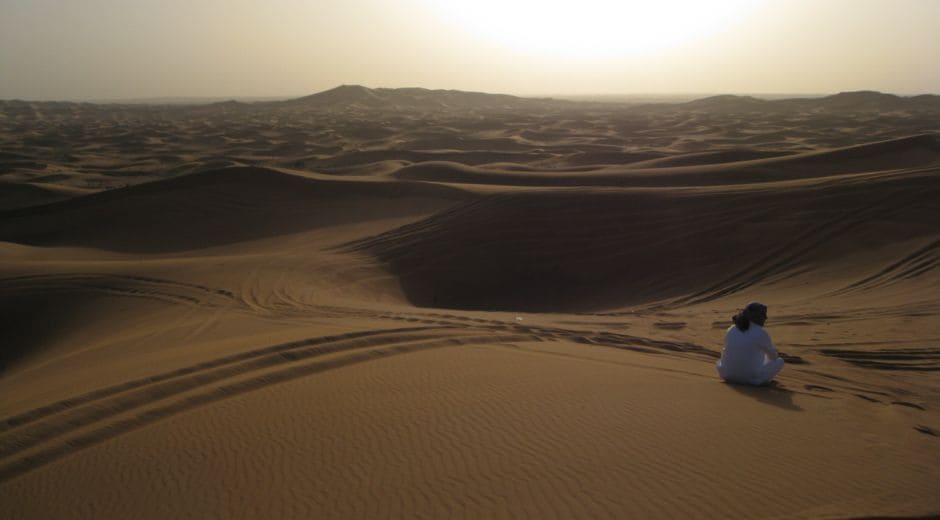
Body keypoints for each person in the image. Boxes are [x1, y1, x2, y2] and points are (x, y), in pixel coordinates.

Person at [716, 301, 784, 385]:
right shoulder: (761, 332)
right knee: (779, 361)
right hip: (750, 380)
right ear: (757, 317)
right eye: (763, 315)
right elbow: (773, 356)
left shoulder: (731, 328)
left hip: (726, 375)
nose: (765, 318)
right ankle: (760, 380)